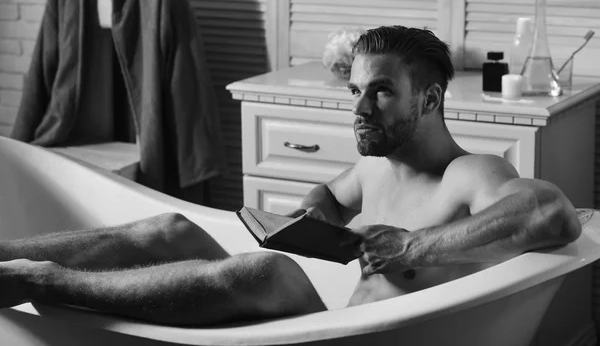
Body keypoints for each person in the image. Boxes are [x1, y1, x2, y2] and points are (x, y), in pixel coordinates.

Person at [0, 26, 582, 326]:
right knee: (169, 228)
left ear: (430, 99)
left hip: (358, 338)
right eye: (356, 91)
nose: (359, 110)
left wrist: (415, 243)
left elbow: (550, 213)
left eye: (381, 93)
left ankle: (42, 282)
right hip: (325, 328)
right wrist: (314, 219)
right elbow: (329, 195)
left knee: (266, 272)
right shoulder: (375, 167)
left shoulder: (468, 173)